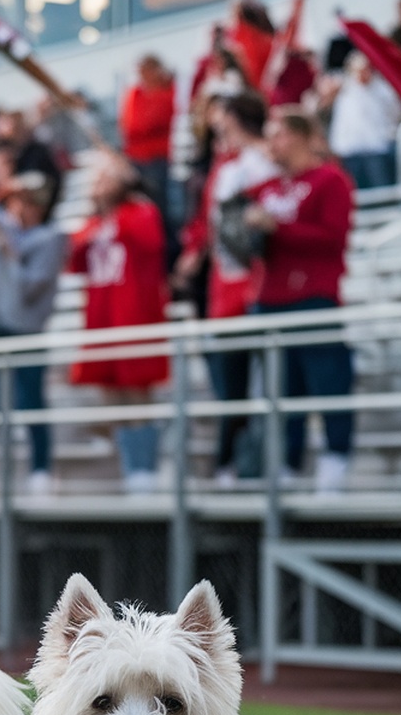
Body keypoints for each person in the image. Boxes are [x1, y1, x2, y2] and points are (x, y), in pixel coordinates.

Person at [243, 109, 355, 493]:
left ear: (301, 136)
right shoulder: (266, 188)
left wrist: (279, 229)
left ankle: (335, 460)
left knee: (327, 381)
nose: (271, 144)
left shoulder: (330, 180)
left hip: (313, 295)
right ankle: (288, 463)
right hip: (270, 297)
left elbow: (333, 239)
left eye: (278, 135)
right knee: (282, 389)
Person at [174, 91, 278, 482]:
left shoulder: (264, 157)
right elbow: (206, 218)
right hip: (224, 286)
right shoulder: (221, 166)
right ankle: (229, 461)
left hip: (257, 282)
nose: (219, 130)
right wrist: (194, 252)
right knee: (228, 381)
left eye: (225, 123)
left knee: (263, 378)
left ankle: (258, 460)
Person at [69, 155, 169, 493]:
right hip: (102, 317)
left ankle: (145, 467)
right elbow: (74, 260)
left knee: (138, 393)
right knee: (110, 394)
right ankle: (130, 467)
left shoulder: (139, 211)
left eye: (104, 179)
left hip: (133, 314)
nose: (98, 186)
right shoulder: (95, 222)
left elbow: (152, 242)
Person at [0, 175, 66, 491]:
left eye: (26, 201)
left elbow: (30, 286)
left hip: (25, 331)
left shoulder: (50, 238)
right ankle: (4, 471)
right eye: (16, 200)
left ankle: (40, 469)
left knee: (31, 400)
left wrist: (7, 251)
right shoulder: (3, 230)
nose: (18, 207)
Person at [327, 51, 401, 190]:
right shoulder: (346, 93)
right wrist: (337, 146)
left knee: (380, 189)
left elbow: (395, 113)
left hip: (377, 149)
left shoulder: (383, 90)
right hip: (352, 152)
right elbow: (341, 123)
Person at [119, 56, 176, 234]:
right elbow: (130, 126)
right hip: (136, 160)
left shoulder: (169, 91)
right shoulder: (134, 93)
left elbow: (154, 121)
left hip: (159, 159)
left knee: (162, 209)